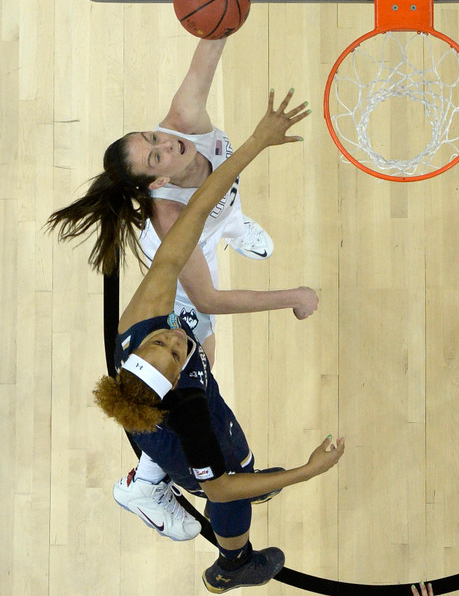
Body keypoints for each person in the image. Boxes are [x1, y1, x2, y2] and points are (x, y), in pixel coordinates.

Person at [47, 37, 318, 540]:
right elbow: (210, 299)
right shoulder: (169, 217)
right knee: (198, 366)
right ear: (153, 184)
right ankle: (145, 482)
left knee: (220, 205)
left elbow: (208, 48)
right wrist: (292, 296)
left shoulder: (184, 121)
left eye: (155, 137)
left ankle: (234, 224)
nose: (169, 144)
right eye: (156, 156)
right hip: (189, 267)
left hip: (209, 219)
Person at [93, 89, 345, 593]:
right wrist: (305, 472)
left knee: (243, 468)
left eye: (158, 343)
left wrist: (257, 142)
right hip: (196, 454)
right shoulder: (189, 416)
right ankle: (232, 565)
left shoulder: (141, 319)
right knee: (235, 485)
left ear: (137, 349)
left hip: (177, 418)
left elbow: (197, 208)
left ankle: (165, 483)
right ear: (175, 384)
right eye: (176, 352)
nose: (173, 338)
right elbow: (222, 486)